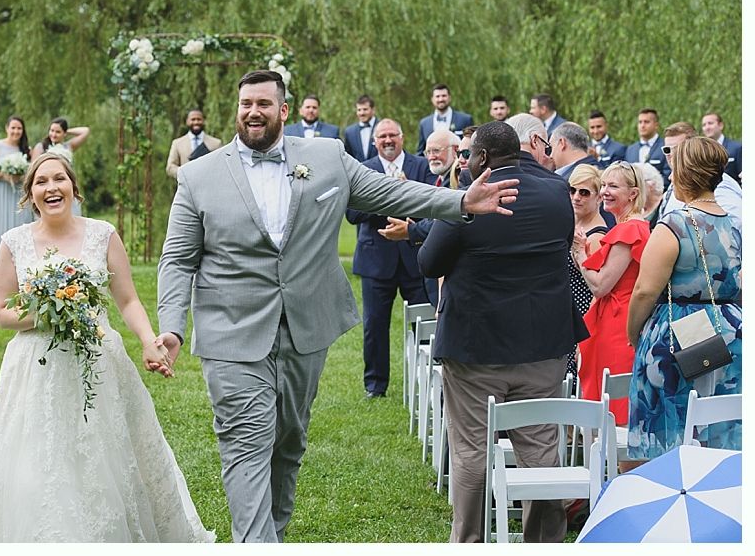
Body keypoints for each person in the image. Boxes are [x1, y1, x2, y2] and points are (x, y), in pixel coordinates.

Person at [156, 70, 519, 543]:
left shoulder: (326, 157)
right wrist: (171, 327)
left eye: (264, 103)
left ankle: (274, 535)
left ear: (283, 111)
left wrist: (459, 201)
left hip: (306, 324)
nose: (253, 111)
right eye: (246, 103)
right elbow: (177, 258)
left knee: (288, 438)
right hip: (230, 330)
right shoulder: (199, 175)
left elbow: (391, 191)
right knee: (246, 440)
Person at [0, 152, 214, 542]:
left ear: (73, 187)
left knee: (105, 454)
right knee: (39, 457)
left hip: (98, 359)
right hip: (36, 365)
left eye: (59, 179)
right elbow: (2, 313)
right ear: (30, 195)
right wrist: (56, 313)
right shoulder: (13, 243)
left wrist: (149, 341)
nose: (51, 188)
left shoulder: (102, 234)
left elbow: (128, 300)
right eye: (41, 182)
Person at [417, 121, 582, 543]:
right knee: (541, 449)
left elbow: (430, 262)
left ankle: (468, 541)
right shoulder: (555, 192)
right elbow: (563, 243)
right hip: (542, 344)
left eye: (468, 155)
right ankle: (543, 544)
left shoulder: (470, 201)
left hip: (476, 347)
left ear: (483, 158)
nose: (465, 162)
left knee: (471, 449)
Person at [626, 137, 741, 458]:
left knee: (671, 434)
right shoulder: (734, 225)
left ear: (685, 173)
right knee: (721, 436)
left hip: (679, 331)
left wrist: (634, 334)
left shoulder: (673, 225)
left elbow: (645, 290)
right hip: (730, 333)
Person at [345, 119, 434, 398]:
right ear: (374, 142)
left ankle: (429, 382)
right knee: (374, 326)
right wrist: (384, 195)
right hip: (376, 260)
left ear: (402, 137)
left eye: (392, 135)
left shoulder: (421, 167)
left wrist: (408, 194)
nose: (387, 140)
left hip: (416, 258)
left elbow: (436, 209)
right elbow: (352, 215)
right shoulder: (364, 170)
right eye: (382, 136)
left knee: (424, 323)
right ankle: (375, 385)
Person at [571, 161, 649, 423]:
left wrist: (581, 254)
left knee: (615, 406)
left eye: (613, 186)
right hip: (616, 320)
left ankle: (614, 462)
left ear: (633, 194)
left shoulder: (630, 229)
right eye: (603, 185)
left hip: (618, 325)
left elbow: (601, 284)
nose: (604, 191)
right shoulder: (628, 226)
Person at [653, 123, 741, 234]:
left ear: (694, 148)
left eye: (677, 149)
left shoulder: (715, 181)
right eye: (667, 150)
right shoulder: (675, 182)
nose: (671, 154)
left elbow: (736, 226)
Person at [565, 164, 610, 383]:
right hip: (566, 316)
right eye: (572, 190)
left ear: (598, 197)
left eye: (584, 192)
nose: (576, 197)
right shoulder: (574, 225)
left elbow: (598, 291)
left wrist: (586, 337)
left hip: (581, 319)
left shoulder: (596, 237)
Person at [0, 114, 35, 249]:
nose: (16, 131)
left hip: (18, 191)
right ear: (7, 128)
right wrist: (3, 176)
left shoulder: (27, 150)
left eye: (19, 128)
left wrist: (21, 177)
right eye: (13, 128)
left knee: (20, 220)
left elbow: (32, 172)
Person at [416, 83, 473, 153]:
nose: (441, 99)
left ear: (449, 97)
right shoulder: (424, 123)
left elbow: (471, 146)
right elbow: (421, 151)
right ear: (432, 99)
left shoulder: (465, 119)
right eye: (437, 96)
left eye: (444, 96)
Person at [166, 109, 222, 179]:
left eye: (199, 119)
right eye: (193, 119)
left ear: (203, 121)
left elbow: (221, 167)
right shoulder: (177, 143)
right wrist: (184, 174)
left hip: (208, 186)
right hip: (186, 187)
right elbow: (170, 167)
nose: (196, 122)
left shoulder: (216, 143)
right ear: (187, 121)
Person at [624, 108, 670, 185]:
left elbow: (668, 175)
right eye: (640, 122)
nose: (642, 125)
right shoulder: (630, 149)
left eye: (646, 122)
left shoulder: (665, 146)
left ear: (656, 125)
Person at [700, 111, 741, 184]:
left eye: (710, 123)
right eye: (704, 125)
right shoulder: (701, 151)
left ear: (721, 125)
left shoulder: (737, 148)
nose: (707, 127)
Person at [343, 94, 380, 162]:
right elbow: (348, 156)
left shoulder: (383, 128)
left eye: (365, 109)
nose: (361, 113)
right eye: (359, 110)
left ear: (373, 110)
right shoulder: (349, 132)